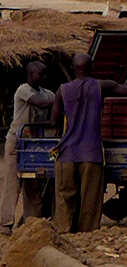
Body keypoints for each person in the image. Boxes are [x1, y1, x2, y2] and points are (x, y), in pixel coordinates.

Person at [51, 53, 127, 234]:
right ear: (92, 68)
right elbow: (124, 90)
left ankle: (63, 232)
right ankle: (86, 235)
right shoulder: (101, 86)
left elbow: (54, 121)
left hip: (66, 153)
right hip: (91, 153)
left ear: (72, 68)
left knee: (63, 197)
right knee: (90, 199)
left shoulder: (62, 90)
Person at [0, 61, 54, 231]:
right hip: (17, 142)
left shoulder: (47, 93)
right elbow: (41, 104)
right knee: (12, 185)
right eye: (41, 74)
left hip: (33, 144)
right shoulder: (24, 91)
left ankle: (31, 224)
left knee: (33, 185)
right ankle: (4, 224)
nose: (44, 77)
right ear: (31, 75)